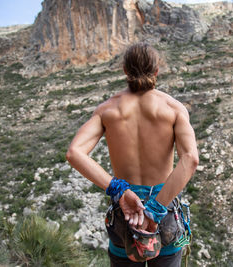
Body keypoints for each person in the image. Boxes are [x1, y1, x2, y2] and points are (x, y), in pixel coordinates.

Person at [66, 42, 198, 267]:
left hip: (125, 213)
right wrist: (155, 209)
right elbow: (191, 159)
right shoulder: (174, 109)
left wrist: (119, 189)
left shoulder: (107, 110)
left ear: (125, 70)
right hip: (164, 208)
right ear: (156, 71)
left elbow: (74, 153)